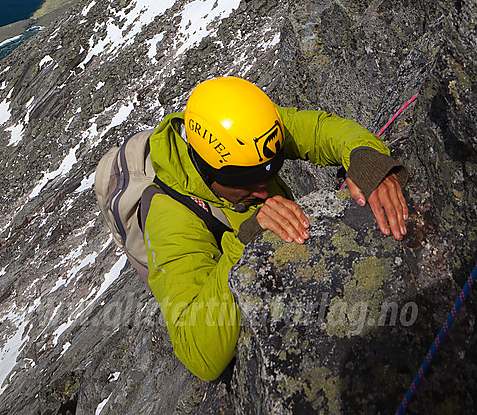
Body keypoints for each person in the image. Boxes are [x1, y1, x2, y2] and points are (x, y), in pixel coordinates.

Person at [142, 76, 409, 381]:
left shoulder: (248, 133)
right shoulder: (170, 218)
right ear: (207, 172)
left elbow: (320, 130)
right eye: (246, 184)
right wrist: (247, 240)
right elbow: (199, 356)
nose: (263, 192)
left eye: (268, 176)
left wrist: (366, 160)